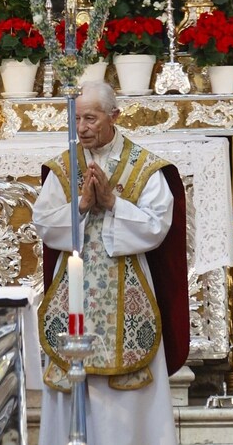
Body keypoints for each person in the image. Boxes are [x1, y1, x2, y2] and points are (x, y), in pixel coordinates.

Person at [32, 81, 188, 445]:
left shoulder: (144, 167)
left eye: (90, 118)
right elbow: (44, 223)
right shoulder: (63, 167)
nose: (81, 127)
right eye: (75, 118)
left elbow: (155, 227)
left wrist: (114, 203)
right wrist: (83, 206)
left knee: (128, 394)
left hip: (129, 285)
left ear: (114, 116)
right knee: (74, 374)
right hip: (75, 285)